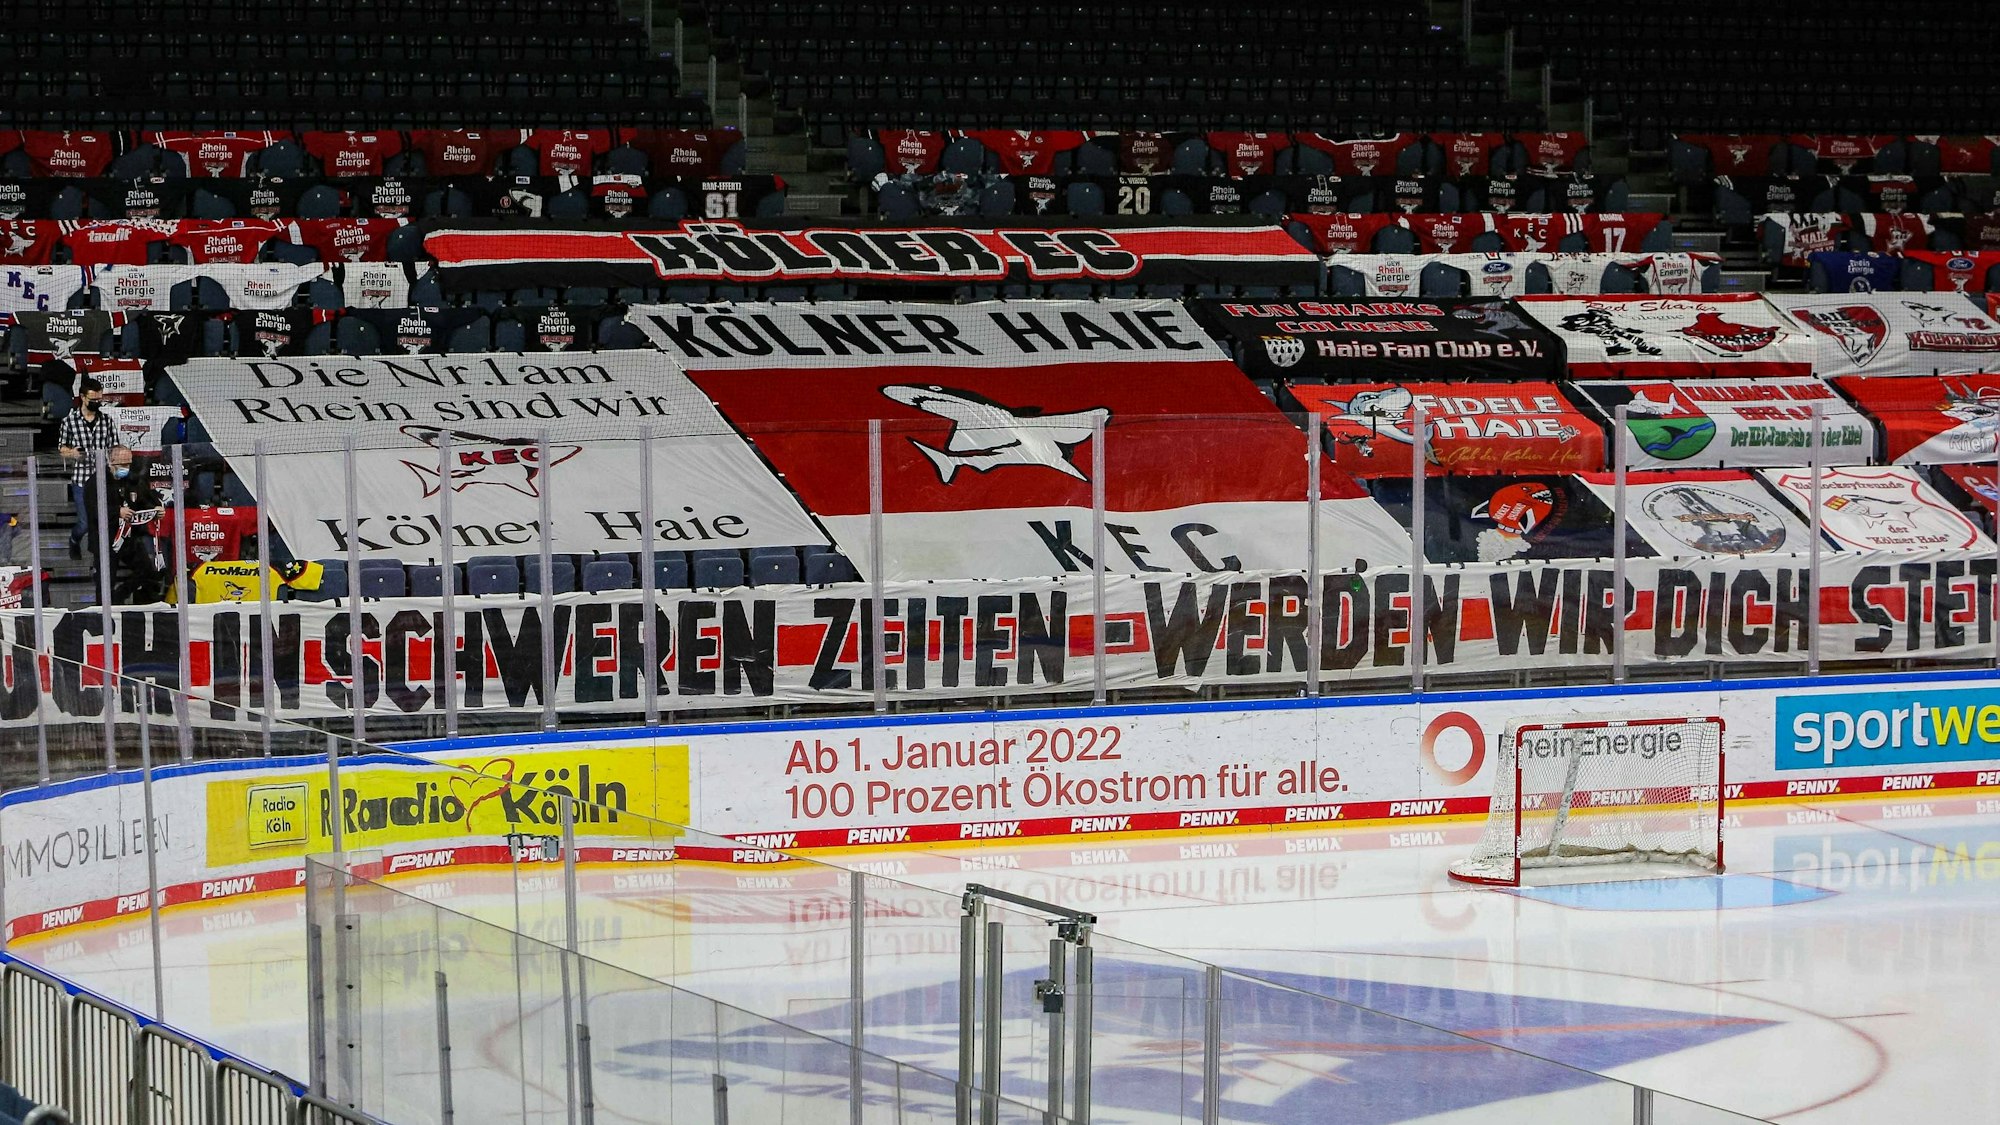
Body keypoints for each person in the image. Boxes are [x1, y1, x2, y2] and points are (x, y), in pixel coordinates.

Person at [82, 446, 167, 604]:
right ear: (111, 461)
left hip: (128, 538)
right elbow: (94, 510)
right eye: (122, 464)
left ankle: (119, 596)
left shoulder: (132, 480)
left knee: (148, 571)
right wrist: (117, 511)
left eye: (129, 464)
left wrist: (156, 509)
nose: (126, 468)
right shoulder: (96, 482)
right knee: (105, 582)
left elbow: (144, 500)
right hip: (105, 540)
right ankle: (104, 614)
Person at [55, 376, 114, 561]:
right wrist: (72, 453)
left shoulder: (107, 421)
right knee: (85, 522)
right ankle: (74, 539)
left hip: (103, 477)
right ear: (82, 397)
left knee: (104, 520)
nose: (97, 403)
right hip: (81, 479)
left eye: (99, 399)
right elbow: (61, 449)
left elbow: (114, 448)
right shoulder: (69, 421)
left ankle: (99, 555)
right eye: (93, 400)